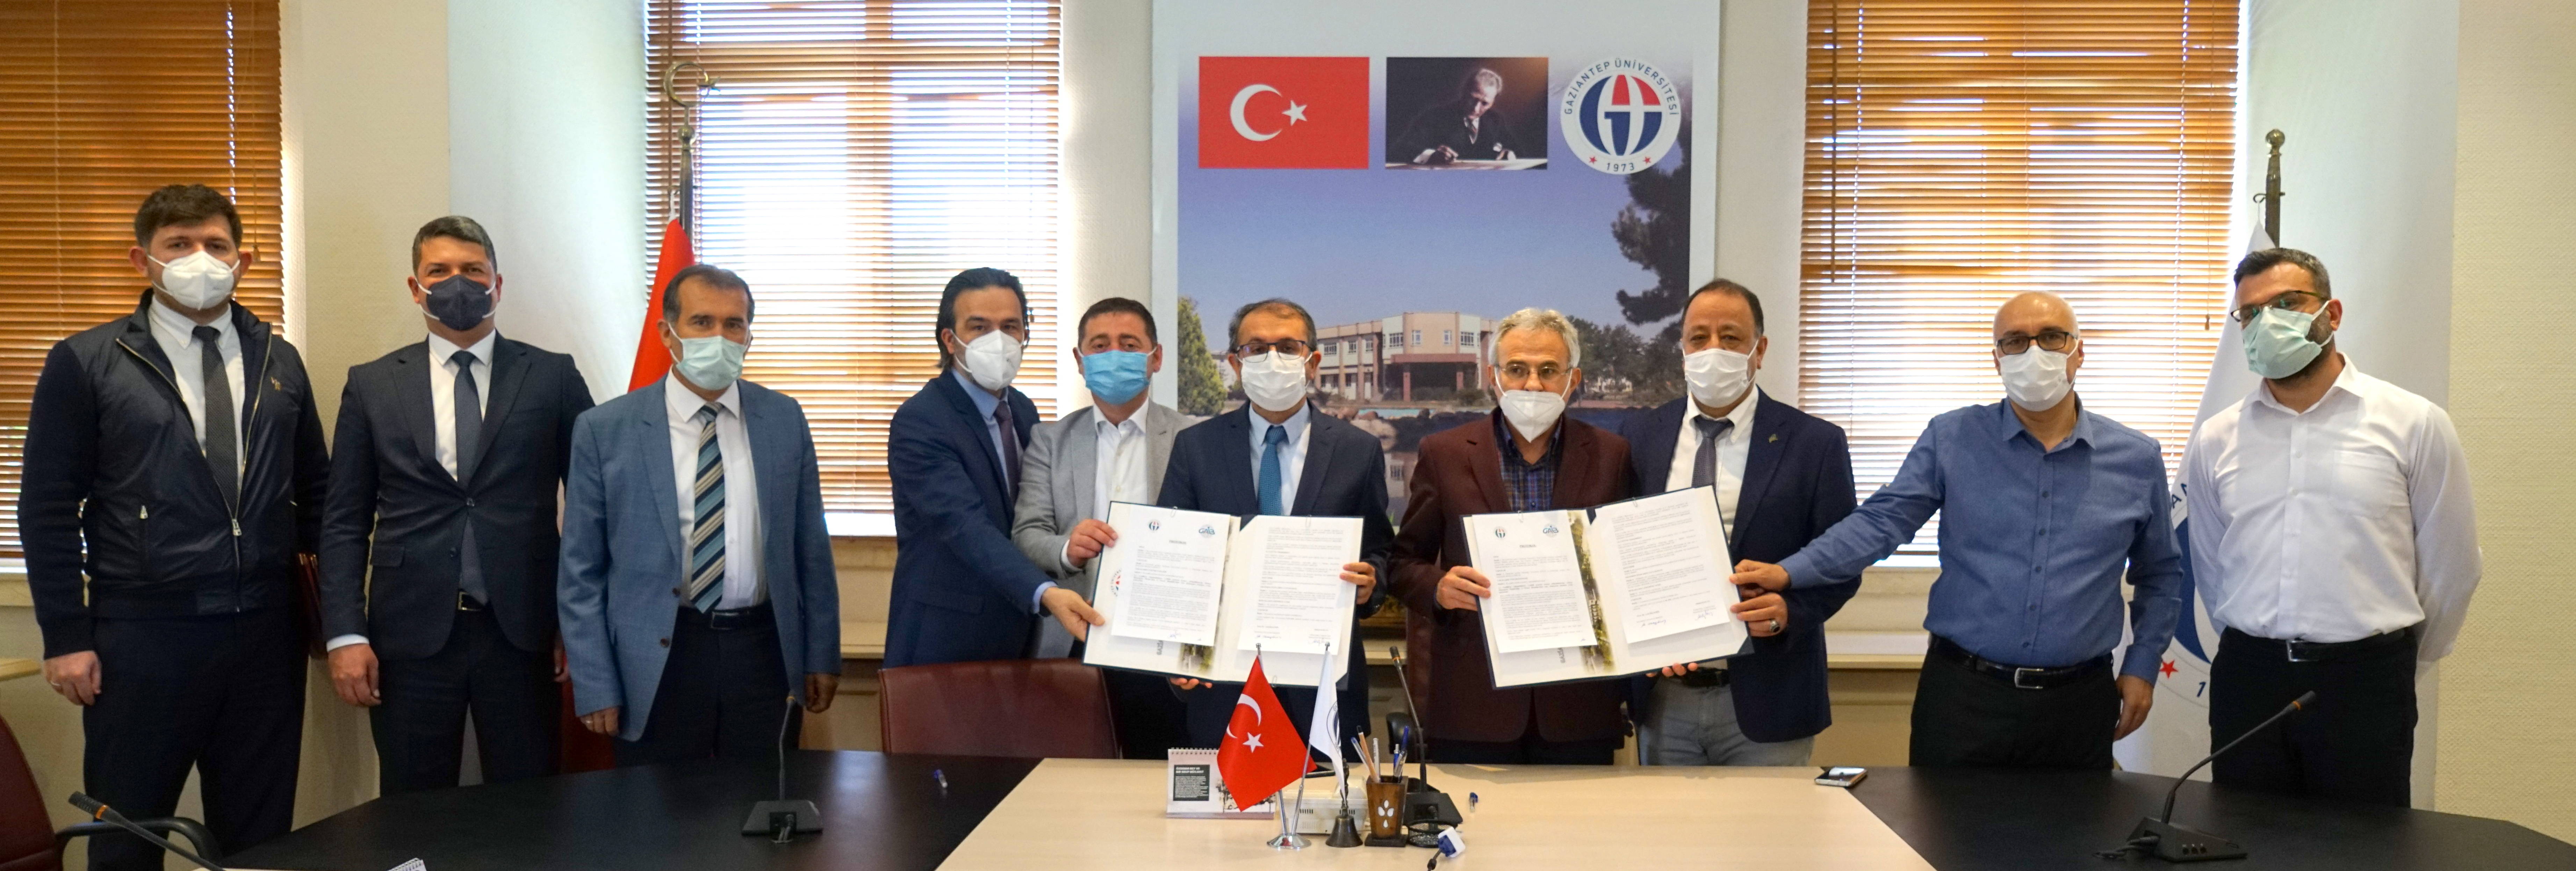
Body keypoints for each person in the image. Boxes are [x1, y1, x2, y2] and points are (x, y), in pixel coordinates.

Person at [1733, 291, 2183, 770]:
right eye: (2015, 341)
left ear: (2078, 352)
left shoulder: (2136, 458)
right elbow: (1882, 522)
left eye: (2052, 337)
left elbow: (2160, 574)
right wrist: (1790, 572)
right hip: (1964, 697)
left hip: (2078, 703)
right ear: (1996, 359)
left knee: (2077, 823)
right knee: (1938, 822)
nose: (2034, 352)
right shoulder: (1952, 438)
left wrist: (2142, 665)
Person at [20, 184, 329, 869]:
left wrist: (334, 621)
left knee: (259, 841)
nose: (200, 259)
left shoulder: (280, 361)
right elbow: (46, 507)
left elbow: (318, 496)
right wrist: (66, 636)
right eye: (179, 245)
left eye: (216, 245)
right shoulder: (86, 360)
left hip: (264, 636)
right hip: (143, 636)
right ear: (144, 259)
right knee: (129, 835)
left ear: (243, 260)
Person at [2183, 248, 2480, 806]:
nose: (2267, 322)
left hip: (2364, 680)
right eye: (2250, 313)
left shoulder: (2412, 423)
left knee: (2363, 843)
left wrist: (2400, 663)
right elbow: (2211, 562)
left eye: (2287, 303)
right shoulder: (2217, 438)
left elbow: (2452, 565)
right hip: (2250, 678)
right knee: (2244, 835)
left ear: (2332, 313)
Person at [318, 216, 596, 793]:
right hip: (407, 636)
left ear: (498, 284)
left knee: (529, 805)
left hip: (525, 632)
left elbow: (593, 508)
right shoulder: (372, 384)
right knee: (412, 809)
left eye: (472, 270)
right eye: (439, 271)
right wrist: (345, 634)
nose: (457, 283)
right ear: (415, 288)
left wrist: (579, 622)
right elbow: (343, 520)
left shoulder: (553, 377)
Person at [559, 264, 840, 764]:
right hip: (657, 657)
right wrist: (595, 679)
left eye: (734, 324)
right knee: (656, 807)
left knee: (758, 803)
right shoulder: (605, 430)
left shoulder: (784, 420)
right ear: (668, 333)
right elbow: (581, 571)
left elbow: (811, 549)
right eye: (702, 322)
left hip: (761, 652)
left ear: (749, 335)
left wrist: (821, 654)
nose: (720, 337)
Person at [1616, 280, 1858, 767]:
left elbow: (1842, 563)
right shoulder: (1640, 434)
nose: (1713, 350)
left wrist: (1790, 611)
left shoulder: (1814, 444)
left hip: (1771, 693)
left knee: (1767, 821)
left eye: (1730, 338)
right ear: (1682, 350)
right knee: (1666, 820)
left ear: (1759, 350)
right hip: (1664, 695)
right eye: (1698, 338)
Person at [1388, 308, 1634, 764]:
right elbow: (1402, 564)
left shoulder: (1611, 455)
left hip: (1578, 704)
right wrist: (1438, 587)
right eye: (1517, 369)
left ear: (1573, 379)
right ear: (1493, 377)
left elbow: (1627, 567)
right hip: (1473, 702)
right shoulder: (1443, 454)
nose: (1532, 385)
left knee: (1583, 815)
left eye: (1548, 370)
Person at [1158, 298, 1393, 747]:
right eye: (1256, 348)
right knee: (1225, 795)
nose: (1272, 359)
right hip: (1225, 687)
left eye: (1287, 347)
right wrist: (1179, 654)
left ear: (1312, 363)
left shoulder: (1357, 450)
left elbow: (1379, 551)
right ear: (1235, 363)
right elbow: (1176, 559)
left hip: (1324, 687)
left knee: (1328, 794)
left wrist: (1371, 583)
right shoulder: (1196, 447)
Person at [885, 268, 1102, 667]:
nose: (998, 340)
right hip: (947, 640)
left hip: (1020, 635)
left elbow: (1031, 517)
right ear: (949, 339)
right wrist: (1045, 593)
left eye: (1010, 327)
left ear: (1024, 335)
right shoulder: (921, 420)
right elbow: (964, 526)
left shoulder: (1021, 409)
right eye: (979, 327)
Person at [1009, 297, 1192, 758]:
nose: (1114, 355)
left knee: (1157, 775)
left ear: (1155, 357)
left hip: (1164, 646)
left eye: (1129, 345)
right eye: (1099, 345)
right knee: (1073, 780)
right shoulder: (1049, 441)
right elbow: (1026, 533)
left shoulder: (1193, 437)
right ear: (1080, 360)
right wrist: (1067, 549)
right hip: (1077, 638)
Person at [1394, 67, 1522, 165]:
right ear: (1464, 92)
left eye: (1485, 103)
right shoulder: (1435, 117)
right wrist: (1431, 156)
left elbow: (1517, 150)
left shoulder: (1495, 120)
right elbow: (1402, 148)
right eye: (1473, 99)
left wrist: (1509, 153)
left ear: (1494, 102)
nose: (1476, 108)